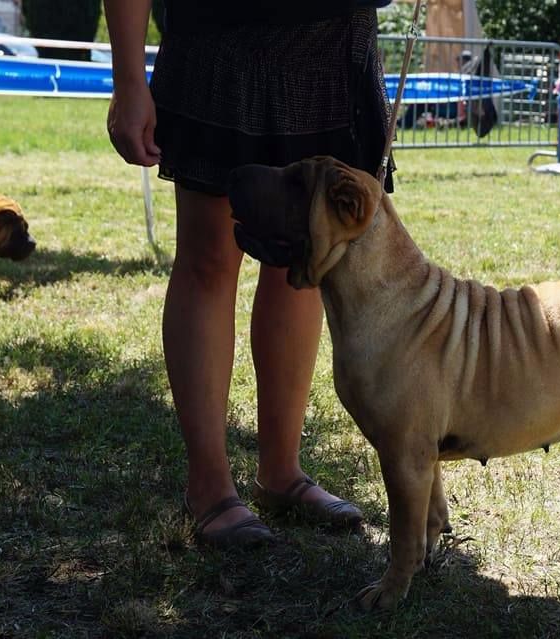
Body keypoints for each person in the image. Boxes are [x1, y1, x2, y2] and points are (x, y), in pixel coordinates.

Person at [104, 0, 394, 547]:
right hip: (220, 47)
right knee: (210, 256)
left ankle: (281, 473)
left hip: (332, 47)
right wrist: (128, 79)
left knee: (303, 258)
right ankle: (209, 487)